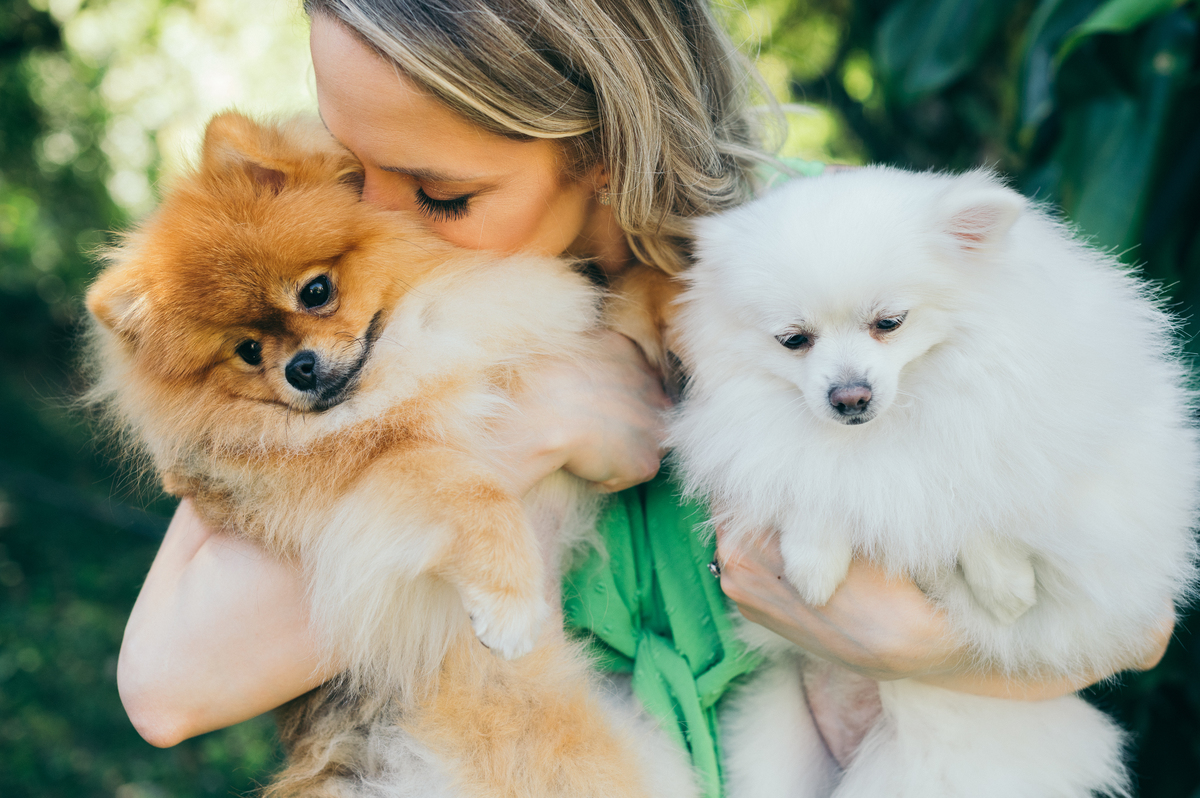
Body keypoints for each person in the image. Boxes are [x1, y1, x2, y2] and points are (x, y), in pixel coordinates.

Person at [117, 0, 1174, 783]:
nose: (381, 220)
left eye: (441, 192)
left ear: (609, 157)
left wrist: (921, 647)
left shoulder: (822, 260)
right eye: (350, 170)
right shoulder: (360, 315)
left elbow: (1131, 615)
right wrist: (539, 425)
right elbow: (171, 688)